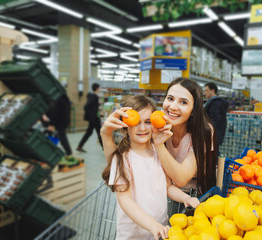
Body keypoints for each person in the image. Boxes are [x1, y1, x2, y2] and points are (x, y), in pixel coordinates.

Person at [102, 95, 199, 240]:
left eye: (148, 122)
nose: (142, 128)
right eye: (135, 123)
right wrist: (152, 225)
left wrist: (185, 198)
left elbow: (167, 187)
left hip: (159, 231)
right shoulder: (122, 159)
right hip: (132, 235)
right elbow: (125, 201)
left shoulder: (158, 152)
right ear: (125, 125)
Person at [101, 78, 217, 196]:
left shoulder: (203, 131)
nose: (173, 107)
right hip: (163, 192)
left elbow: (182, 179)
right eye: (170, 98)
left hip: (195, 195)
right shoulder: (155, 124)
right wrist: (105, 135)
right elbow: (118, 163)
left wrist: (159, 144)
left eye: (183, 102)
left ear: (193, 110)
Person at [77, 83, 103, 152]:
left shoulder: (92, 96)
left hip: (93, 119)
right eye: (99, 88)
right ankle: (104, 148)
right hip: (94, 119)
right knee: (100, 133)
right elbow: (86, 106)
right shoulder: (94, 97)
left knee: (89, 133)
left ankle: (79, 146)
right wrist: (92, 115)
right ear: (97, 88)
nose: (99, 89)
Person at [204, 82, 229, 153]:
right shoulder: (213, 102)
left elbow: (215, 121)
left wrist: (206, 130)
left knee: (212, 155)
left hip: (213, 135)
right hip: (212, 135)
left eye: (206, 90)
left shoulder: (216, 103)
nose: (204, 92)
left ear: (213, 90)